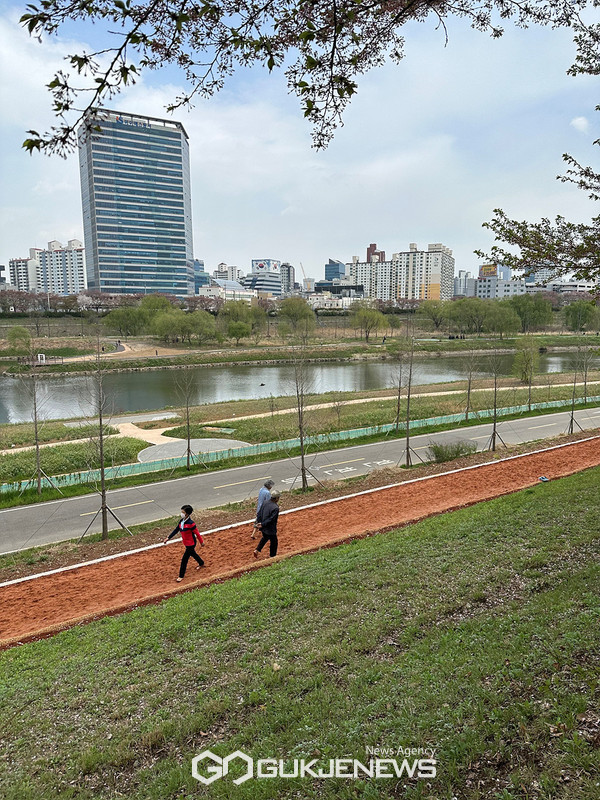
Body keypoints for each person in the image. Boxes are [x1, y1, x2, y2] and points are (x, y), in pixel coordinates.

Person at [163, 504, 205, 582]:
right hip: (186, 543)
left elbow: (197, 533)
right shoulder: (181, 522)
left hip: (191, 544)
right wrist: (168, 538)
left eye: (183, 512)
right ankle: (201, 563)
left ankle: (181, 575)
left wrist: (201, 542)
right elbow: (176, 530)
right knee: (193, 554)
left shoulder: (191, 523)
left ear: (187, 514)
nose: (181, 513)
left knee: (184, 559)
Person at [253, 490, 280, 559]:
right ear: (276, 498)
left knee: (265, 537)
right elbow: (271, 519)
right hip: (269, 528)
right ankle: (272, 556)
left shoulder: (265, 502)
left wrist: (259, 522)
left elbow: (259, 513)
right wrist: (262, 524)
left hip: (263, 526)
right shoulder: (275, 508)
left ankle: (257, 550)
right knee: (274, 542)